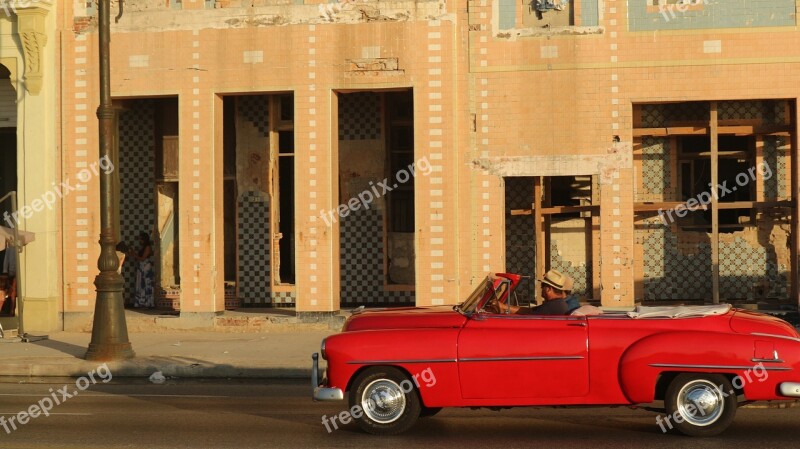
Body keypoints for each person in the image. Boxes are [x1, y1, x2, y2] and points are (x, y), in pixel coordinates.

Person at [492, 269, 574, 315]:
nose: (541, 289)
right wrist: (505, 307)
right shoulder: (556, 303)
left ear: (548, 289)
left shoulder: (552, 306)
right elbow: (530, 311)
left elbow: (528, 316)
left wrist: (505, 311)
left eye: (542, 286)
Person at [130, 232, 155, 309]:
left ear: (144, 239)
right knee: (141, 285)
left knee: (145, 285)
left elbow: (143, 258)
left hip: (145, 268)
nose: (140, 241)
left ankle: (147, 303)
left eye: (141, 239)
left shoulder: (147, 247)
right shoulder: (143, 247)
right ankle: (142, 303)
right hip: (141, 267)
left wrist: (134, 255)